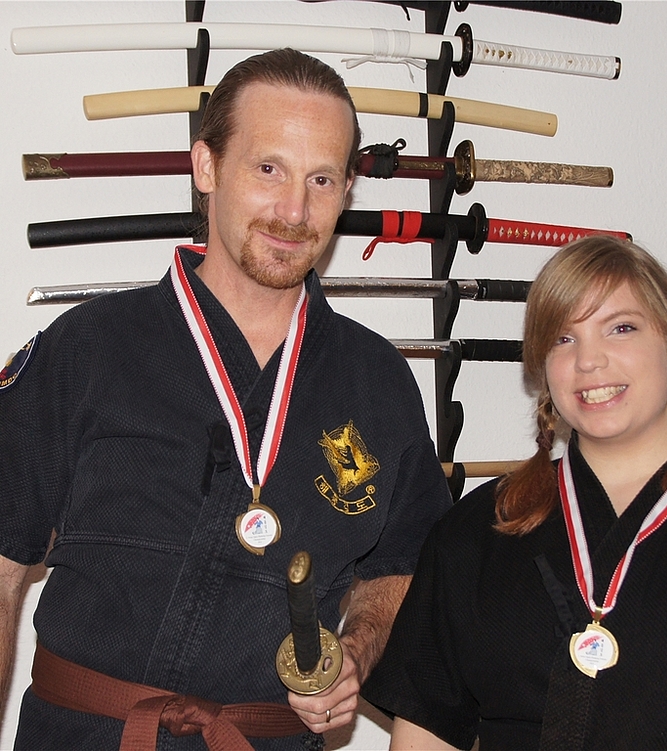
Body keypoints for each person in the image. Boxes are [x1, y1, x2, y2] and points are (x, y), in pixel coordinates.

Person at [0, 48, 451, 751]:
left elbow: (400, 571)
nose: (294, 209)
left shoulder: (378, 381)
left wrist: (356, 653)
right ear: (206, 166)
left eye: (322, 179)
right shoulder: (87, 347)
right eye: (268, 168)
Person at [362, 234, 667, 750]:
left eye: (621, 328)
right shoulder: (477, 532)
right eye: (563, 339)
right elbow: (426, 737)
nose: (589, 361)